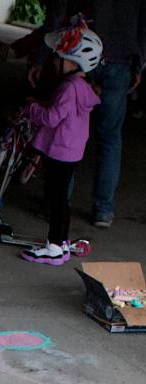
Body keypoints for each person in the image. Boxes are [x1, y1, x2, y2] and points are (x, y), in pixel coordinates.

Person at [29, 1, 146, 228]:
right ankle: (103, 210)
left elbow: (57, 13)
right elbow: (143, 24)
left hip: (79, 55)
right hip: (120, 61)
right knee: (110, 137)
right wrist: (139, 64)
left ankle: (59, 204)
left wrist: (41, 57)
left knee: (66, 130)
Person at [22, 23, 102, 265]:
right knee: (61, 199)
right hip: (72, 150)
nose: (56, 62)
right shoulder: (82, 87)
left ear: (73, 61)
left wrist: (31, 108)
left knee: (56, 198)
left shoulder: (68, 88)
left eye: (60, 57)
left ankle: (55, 247)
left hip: (60, 150)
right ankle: (62, 241)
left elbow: (52, 117)